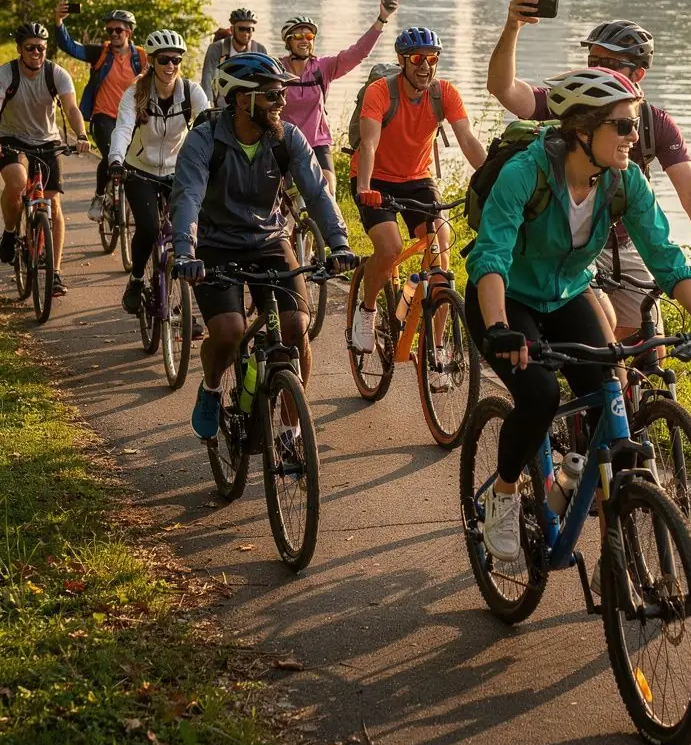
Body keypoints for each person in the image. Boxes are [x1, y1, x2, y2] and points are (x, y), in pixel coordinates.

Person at [465, 66, 691, 564]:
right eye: (624, 126)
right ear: (583, 131)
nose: (635, 137)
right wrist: (500, 327)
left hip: (566, 294)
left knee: (610, 388)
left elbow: (664, 254)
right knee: (540, 394)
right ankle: (503, 495)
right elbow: (492, 255)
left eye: (635, 124)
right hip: (506, 298)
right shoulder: (528, 173)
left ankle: (576, 477)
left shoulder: (622, 181)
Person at [487, 0, 691, 336]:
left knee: (648, 339)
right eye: (594, 59)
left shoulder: (655, 124)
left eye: (610, 64)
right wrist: (512, 27)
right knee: (603, 326)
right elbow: (502, 88)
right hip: (567, 241)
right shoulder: (572, 105)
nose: (597, 69)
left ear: (638, 72)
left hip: (626, 241)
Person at [171, 53, 355, 440]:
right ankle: (211, 387)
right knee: (229, 331)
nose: (282, 102)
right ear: (242, 100)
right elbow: (188, 196)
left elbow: (318, 193)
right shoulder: (205, 140)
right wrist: (186, 252)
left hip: (270, 241)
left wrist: (338, 243)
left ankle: (291, 432)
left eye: (282, 93)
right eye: (272, 95)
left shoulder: (287, 138)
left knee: (295, 326)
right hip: (215, 244)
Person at [350, 26, 487, 354]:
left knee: (439, 263)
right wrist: (366, 187)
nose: (425, 65)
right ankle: (367, 311)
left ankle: (436, 349)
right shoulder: (381, 92)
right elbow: (369, 144)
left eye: (432, 58)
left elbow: (467, 139)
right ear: (402, 61)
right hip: (375, 179)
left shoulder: (445, 94)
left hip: (418, 179)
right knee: (390, 247)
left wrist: (492, 179)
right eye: (416, 59)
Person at [107, 29, 209, 316]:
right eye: (164, 60)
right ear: (151, 61)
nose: (170, 66)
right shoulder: (135, 93)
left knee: (191, 232)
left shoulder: (192, 92)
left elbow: (209, 126)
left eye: (176, 60)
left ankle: (188, 307)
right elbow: (124, 129)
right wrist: (116, 160)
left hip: (179, 171)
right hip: (140, 171)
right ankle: (137, 279)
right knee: (149, 227)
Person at [0, 23, 91, 295]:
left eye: (41, 47)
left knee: (52, 204)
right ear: (20, 49)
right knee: (17, 181)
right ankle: (9, 233)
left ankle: (55, 274)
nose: (36, 52)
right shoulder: (6, 74)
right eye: (30, 47)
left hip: (47, 141)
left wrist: (82, 135)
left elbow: (71, 107)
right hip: (10, 138)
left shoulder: (56, 74)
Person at [278, 0, 399, 195]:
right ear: (288, 42)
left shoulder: (323, 68)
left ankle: (327, 226)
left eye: (308, 37)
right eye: (298, 36)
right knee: (282, 199)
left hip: (317, 142)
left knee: (328, 192)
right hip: (285, 142)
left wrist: (382, 18)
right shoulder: (277, 69)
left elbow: (358, 52)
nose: (304, 41)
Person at [54, 4, 147, 222]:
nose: (113, 34)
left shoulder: (141, 57)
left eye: (118, 30)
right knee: (111, 155)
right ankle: (98, 196)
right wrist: (58, 22)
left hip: (131, 118)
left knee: (137, 159)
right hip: (103, 116)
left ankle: (129, 201)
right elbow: (70, 47)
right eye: (109, 30)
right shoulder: (101, 54)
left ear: (129, 33)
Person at [200, 8, 269, 104]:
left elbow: (267, 82)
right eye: (241, 29)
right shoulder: (216, 49)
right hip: (223, 104)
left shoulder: (260, 50)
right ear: (232, 29)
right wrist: (208, 107)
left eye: (249, 29)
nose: (246, 33)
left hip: (251, 103)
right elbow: (207, 80)